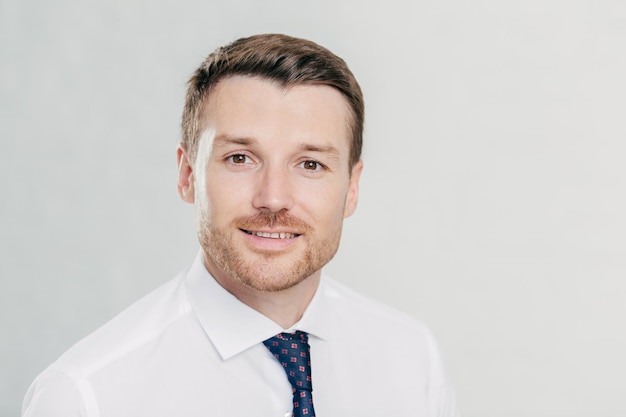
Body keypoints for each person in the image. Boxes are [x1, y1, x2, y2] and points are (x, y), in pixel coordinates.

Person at [22, 33, 459, 417]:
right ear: (187, 174)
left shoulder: (412, 358)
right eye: (240, 158)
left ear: (351, 188)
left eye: (310, 163)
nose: (273, 198)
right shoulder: (85, 398)